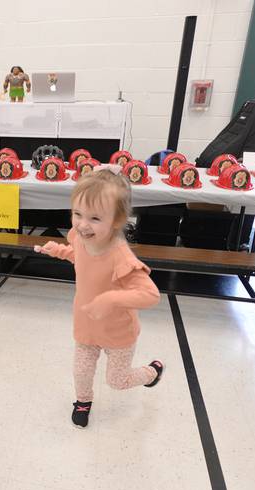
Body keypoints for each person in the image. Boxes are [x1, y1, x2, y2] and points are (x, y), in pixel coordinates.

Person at [34, 170, 164, 428]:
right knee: (81, 371)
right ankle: (83, 401)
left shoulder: (121, 257)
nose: (82, 224)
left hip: (118, 333)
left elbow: (151, 295)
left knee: (117, 381)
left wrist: (112, 299)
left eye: (94, 218)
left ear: (117, 220)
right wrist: (59, 251)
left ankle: (152, 372)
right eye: (77, 214)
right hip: (87, 325)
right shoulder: (82, 238)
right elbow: (79, 257)